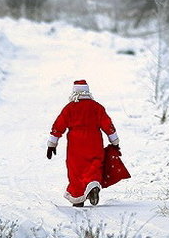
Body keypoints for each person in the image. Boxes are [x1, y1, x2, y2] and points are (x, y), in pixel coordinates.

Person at [46, 79, 120, 207]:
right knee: (95, 164)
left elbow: (58, 125)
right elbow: (108, 125)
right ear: (88, 91)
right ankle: (93, 185)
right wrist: (114, 141)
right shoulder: (97, 107)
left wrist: (52, 144)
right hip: (94, 141)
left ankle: (78, 198)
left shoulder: (69, 108)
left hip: (76, 144)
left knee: (76, 170)